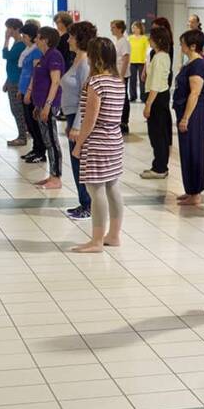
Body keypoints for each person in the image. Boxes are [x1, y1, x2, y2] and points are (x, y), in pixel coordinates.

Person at [70, 38, 125, 252]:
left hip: (98, 142)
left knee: (95, 190)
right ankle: (114, 235)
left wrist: (79, 144)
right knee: (112, 187)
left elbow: (90, 119)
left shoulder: (96, 83)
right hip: (114, 139)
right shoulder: (118, 81)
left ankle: (96, 240)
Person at [61, 21, 97, 220]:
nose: (68, 40)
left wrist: (76, 126)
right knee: (76, 163)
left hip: (78, 117)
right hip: (71, 115)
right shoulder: (76, 59)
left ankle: (88, 204)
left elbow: (86, 97)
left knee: (80, 162)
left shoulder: (84, 64)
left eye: (71, 36)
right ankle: (83, 201)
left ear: (79, 39)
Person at [174, 29, 204, 205]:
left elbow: (195, 93)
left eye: (183, 43)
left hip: (194, 114)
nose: (181, 46)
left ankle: (196, 193)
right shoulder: (190, 63)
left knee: (194, 151)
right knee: (187, 152)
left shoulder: (198, 64)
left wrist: (186, 117)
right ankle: (190, 190)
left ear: (193, 45)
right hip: (185, 111)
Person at [28, 27, 65, 189]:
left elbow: (55, 82)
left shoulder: (54, 55)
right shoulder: (45, 57)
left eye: (38, 37)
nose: (35, 40)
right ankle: (51, 175)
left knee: (52, 141)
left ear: (46, 40)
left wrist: (47, 106)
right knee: (47, 141)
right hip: (42, 104)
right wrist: (38, 105)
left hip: (49, 105)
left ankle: (56, 177)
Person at [141, 26, 173, 179]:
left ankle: (160, 168)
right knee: (159, 134)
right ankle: (158, 165)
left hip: (157, 97)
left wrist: (148, 104)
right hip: (161, 96)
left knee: (157, 134)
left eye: (151, 38)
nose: (149, 40)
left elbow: (155, 83)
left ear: (158, 40)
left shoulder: (160, 57)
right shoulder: (163, 55)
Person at [19, 24, 44, 161]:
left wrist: (29, 91)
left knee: (34, 123)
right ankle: (35, 148)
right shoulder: (28, 50)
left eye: (24, 36)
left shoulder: (37, 52)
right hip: (24, 89)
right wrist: (20, 90)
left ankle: (40, 151)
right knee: (29, 123)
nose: (23, 38)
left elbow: (35, 73)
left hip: (31, 91)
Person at [1, 18, 28, 146]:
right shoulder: (17, 43)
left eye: (9, 28)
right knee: (15, 109)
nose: (7, 31)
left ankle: (22, 136)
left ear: (16, 29)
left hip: (17, 81)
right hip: (12, 79)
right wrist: (7, 81)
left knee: (17, 110)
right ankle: (23, 133)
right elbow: (13, 64)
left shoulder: (21, 44)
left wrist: (6, 40)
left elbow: (7, 56)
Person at [111, 20, 132, 134]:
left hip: (121, 74)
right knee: (119, 98)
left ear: (119, 29)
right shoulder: (118, 41)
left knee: (123, 98)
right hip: (117, 73)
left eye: (113, 27)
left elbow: (126, 58)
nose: (111, 29)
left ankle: (124, 122)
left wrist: (122, 76)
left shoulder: (124, 42)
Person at [128, 20, 148, 103]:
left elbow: (147, 50)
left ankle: (143, 97)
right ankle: (133, 96)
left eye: (136, 28)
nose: (134, 29)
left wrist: (146, 61)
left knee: (142, 80)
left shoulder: (145, 38)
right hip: (132, 61)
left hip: (142, 61)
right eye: (133, 28)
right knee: (132, 80)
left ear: (140, 29)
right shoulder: (129, 38)